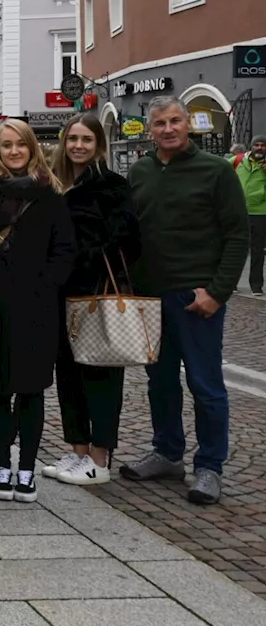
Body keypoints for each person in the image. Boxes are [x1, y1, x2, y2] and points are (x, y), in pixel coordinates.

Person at [123, 96, 249, 504]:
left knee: (205, 384)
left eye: (175, 121)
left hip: (196, 298)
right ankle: (167, 452)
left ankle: (210, 466)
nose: (168, 129)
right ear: (150, 129)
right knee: (160, 383)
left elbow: (237, 236)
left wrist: (217, 292)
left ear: (188, 124)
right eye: (160, 123)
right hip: (150, 297)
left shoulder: (215, 172)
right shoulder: (140, 172)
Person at [0, 119, 75, 503]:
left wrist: (47, 283)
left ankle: (26, 468)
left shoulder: (50, 194)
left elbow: (64, 249)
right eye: (6, 145)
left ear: (32, 148)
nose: (14, 152)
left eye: (21, 145)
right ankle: (0, 465)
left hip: (37, 310)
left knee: (31, 391)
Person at [46, 114, 140, 486]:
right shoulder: (56, 184)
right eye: (73, 140)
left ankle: (100, 459)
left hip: (95, 294)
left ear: (98, 144)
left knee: (100, 376)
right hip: (61, 296)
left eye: (86, 139)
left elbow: (129, 241)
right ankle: (78, 451)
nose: (79, 146)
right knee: (67, 375)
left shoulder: (112, 186)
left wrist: (82, 257)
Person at [235, 136, 266, 295]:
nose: (260, 148)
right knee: (235, 248)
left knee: (257, 250)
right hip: (238, 211)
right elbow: (219, 171)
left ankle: (256, 285)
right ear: (251, 146)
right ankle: (232, 282)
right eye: (256, 145)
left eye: (263, 145)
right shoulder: (238, 160)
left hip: (260, 213)